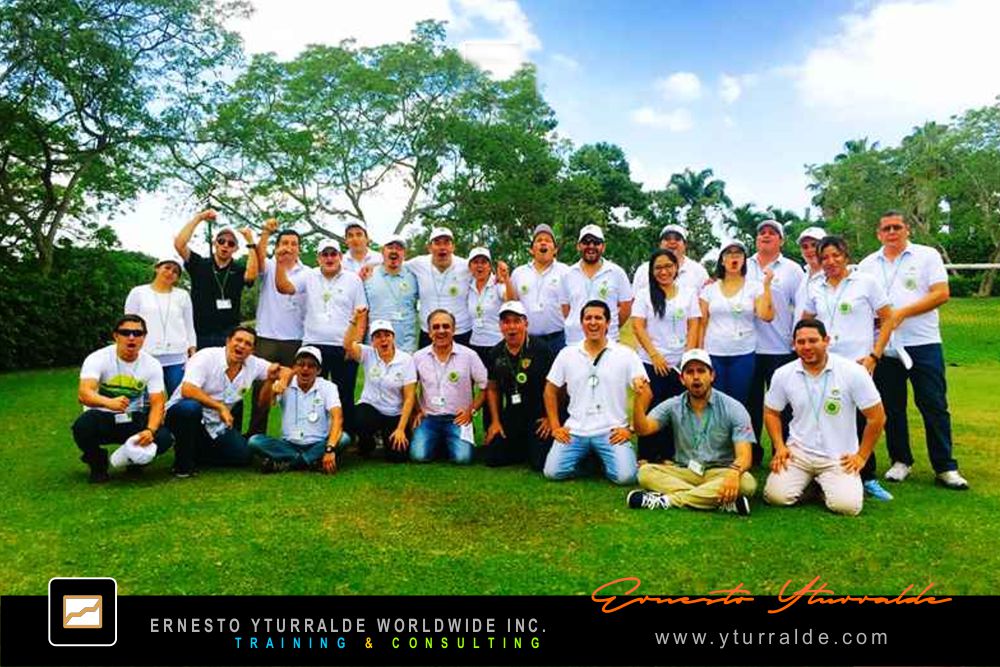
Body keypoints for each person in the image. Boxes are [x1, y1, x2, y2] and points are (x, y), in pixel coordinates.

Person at [858, 211, 968, 490]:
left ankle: (945, 466)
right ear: (878, 233)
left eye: (897, 227)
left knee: (933, 404)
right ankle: (901, 461)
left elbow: (941, 293)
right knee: (892, 406)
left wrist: (901, 313)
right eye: (886, 228)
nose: (892, 232)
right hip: (884, 346)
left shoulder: (927, 255)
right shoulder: (868, 264)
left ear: (907, 229)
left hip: (923, 343)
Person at [801, 235, 895, 500]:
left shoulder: (866, 282)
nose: (830, 261)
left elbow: (888, 319)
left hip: (858, 363)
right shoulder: (816, 286)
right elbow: (806, 321)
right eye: (824, 258)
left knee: (862, 418)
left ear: (846, 256)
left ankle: (867, 475)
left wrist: (874, 356)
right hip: (824, 363)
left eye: (836, 255)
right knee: (825, 417)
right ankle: (821, 475)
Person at [763, 320, 886, 516]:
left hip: (838, 457)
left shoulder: (852, 372)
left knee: (847, 507)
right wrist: (779, 446)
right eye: (801, 342)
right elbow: (771, 412)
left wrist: (861, 456)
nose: (807, 347)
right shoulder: (783, 374)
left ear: (826, 341)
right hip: (799, 453)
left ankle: (823, 486)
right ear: (794, 345)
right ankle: (812, 485)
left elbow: (877, 417)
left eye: (813, 341)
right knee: (775, 496)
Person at [628, 349, 756, 514]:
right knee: (645, 473)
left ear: (712, 376)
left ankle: (667, 500)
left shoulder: (733, 408)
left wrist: (734, 472)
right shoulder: (673, 405)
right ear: (682, 379)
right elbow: (643, 429)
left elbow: (744, 456)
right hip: (686, 470)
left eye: (701, 371)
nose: (696, 377)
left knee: (747, 483)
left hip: (720, 471)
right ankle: (715, 500)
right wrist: (638, 399)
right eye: (690, 372)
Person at [543, 300, 647, 485]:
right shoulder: (567, 353)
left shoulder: (625, 354)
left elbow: (646, 392)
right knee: (552, 472)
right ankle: (594, 463)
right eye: (588, 318)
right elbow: (549, 391)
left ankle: (604, 460)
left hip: (611, 431)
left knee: (626, 477)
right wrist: (555, 426)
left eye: (598, 318)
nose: (593, 323)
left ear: (608, 323)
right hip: (575, 431)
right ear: (581, 322)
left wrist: (630, 428)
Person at [165, 325, 289, 478]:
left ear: (252, 351)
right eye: (238, 340)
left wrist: (282, 381)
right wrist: (220, 407)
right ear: (228, 341)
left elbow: (285, 370)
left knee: (243, 456)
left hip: (216, 424)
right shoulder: (206, 356)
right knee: (190, 408)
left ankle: (197, 452)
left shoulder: (253, 363)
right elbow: (188, 389)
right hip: (182, 414)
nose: (241, 346)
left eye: (248, 344)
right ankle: (183, 465)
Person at [276, 238, 367, 437]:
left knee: (344, 394)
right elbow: (284, 288)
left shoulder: (353, 280)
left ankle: (346, 438)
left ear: (340, 256)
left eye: (333, 254)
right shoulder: (309, 276)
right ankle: (314, 436)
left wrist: (355, 344)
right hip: (313, 345)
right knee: (312, 393)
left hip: (343, 346)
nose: (329, 258)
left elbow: (361, 313)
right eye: (325, 254)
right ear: (318, 258)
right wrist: (280, 263)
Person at [72, 315, 173, 482]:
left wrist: (150, 430)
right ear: (115, 336)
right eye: (125, 332)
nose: (131, 337)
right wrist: (109, 403)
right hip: (102, 416)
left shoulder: (152, 364)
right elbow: (84, 394)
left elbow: (158, 403)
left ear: (144, 337)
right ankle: (97, 461)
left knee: (164, 438)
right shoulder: (97, 358)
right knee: (82, 427)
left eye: (137, 333)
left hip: (134, 417)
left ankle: (133, 459)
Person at [630, 249, 700, 463]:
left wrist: (687, 357)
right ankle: (647, 455)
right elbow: (638, 326)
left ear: (676, 268)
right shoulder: (644, 295)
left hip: (678, 363)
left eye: (668, 266)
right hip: (651, 361)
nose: (663, 271)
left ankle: (671, 455)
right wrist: (654, 355)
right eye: (658, 268)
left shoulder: (688, 293)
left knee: (677, 408)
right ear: (652, 271)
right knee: (652, 407)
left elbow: (694, 324)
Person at [746, 220, 803, 462]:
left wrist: (797, 340)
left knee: (783, 405)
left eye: (772, 233)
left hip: (780, 348)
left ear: (781, 240)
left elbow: (801, 307)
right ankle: (751, 452)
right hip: (748, 347)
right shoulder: (744, 264)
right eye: (762, 233)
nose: (766, 236)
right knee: (750, 404)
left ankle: (783, 452)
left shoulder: (792, 269)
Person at [247, 346, 349, 474]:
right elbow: (263, 404)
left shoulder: (328, 387)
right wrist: (270, 381)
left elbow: (337, 417)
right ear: (295, 368)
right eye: (301, 364)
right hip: (288, 444)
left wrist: (329, 449)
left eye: (311, 366)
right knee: (255, 441)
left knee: (344, 438)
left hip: (318, 443)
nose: (305, 369)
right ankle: (310, 461)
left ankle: (289, 463)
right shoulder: (285, 382)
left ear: (318, 371)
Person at [698, 239, 774, 410]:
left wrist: (767, 286)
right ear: (722, 260)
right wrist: (699, 353)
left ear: (744, 260)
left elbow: (766, 316)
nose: (734, 258)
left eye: (738, 254)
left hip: (743, 353)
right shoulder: (709, 290)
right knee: (714, 402)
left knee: (738, 403)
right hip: (714, 352)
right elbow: (701, 323)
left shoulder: (754, 287)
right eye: (729, 254)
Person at [248, 219, 307, 435]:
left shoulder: (307, 273)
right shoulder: (269, 265)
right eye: (284, 243)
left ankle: (297, 435)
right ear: (277, 246)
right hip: (266, 337)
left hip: (295, 338)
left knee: (295, 389)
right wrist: (265, 233)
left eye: (293, 244)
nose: (289, 248)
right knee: (261, 389)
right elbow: (258, 258)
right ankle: (256, 436)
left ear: (299, 249)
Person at [483, 301, 556, 470]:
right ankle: (523, 447)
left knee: (539, 463)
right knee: (493, 458)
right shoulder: (495, 353)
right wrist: (495, 422)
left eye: (517, 321)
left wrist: (550, 418)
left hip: (539, 416)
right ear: (500, 326)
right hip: (512, 414)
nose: (511, 327)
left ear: (526, 323)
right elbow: (492, 388)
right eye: (506, 322)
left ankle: (530, 448)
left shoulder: (542, 350)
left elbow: (555, 387)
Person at [410, 309, 488, 464]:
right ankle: (442, 441)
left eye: (446, 326)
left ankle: (447, 441)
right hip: (429, 418)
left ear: (454, 329)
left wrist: (471, 411)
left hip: (457, 419)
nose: (441, 331)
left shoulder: (469, 356)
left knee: (462, 459)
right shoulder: (418, 357)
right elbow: (409, 388)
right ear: (429, 332)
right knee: (418, 456)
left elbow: (485, 387)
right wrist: (417, 410)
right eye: (436, 327)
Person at [173, 209, 259, 349]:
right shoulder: (199, 264)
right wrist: (199, 217)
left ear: (236, 249)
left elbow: (252, 275)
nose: (225, 245)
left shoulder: (238, 270)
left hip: (229, 335)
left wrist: (250, 242)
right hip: (199, 333)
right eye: (221, 241)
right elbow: (179, 244)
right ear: (215, 243)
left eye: (231, 244)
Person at [344, 308, 418, 462]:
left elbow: (409, 398)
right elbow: (348, 345)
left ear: (393, 337)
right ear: (372, 341)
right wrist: (355, 320)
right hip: (372, 408)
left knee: (398, 457)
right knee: (359, 419)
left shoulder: (406, 360)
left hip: (394, 413)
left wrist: (400, 429)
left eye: (387, 335)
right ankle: (368, 443)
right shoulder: (368, 353)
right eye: (378, 336)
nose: (383, 340)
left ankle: (385, 436)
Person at [124, 256, 196, 396]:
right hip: (145, 354)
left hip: (176, 357)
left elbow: (189, 325)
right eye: (167, 268)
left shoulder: (183, 295)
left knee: (180, 399)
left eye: (175, 271)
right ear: (157, 268)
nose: (170, 273)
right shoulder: (138, 292)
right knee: (144, 400)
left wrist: (192, 348)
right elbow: (128, 324)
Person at [559, 224, 633, 345]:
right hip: (575, 341)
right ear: (578, 246)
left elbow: (626, 307)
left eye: (596, 242)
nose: (591, 246)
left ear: (603, 247)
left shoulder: (616, 272)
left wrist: (607, 326)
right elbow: (566, 309)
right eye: (586, 242)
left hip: (608, 341)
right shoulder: (567, 274)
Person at [509, 224, 571, 355]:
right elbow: (512, 304)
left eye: (548, 240)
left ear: (555, 250)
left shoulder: (566, 272)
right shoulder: (518, 273)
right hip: (528, 340)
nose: (543, 243)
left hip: (558, 339)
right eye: (539, 240)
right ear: (531, 250)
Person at [407, 227, 473, 347]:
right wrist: (371, 267)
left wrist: (499, 278)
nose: (442, 247)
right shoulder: (417, 264)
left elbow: (487, 274)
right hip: (429, 332)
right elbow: (394, 265)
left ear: (453, 247)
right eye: (437, 243)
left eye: (447, 243)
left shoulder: (467, 266)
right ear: (429, 248)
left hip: (460, 331)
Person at [361, 234, 419, 353]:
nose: (394, 251)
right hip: (375, 344)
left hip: (406, 345)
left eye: (399, 248)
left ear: (405, 253)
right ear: (382, 251)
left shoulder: (414, 276)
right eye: (390, 247)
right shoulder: (368, 275)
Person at [632, 224, 710, 295]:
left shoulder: (699, 272)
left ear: (685, 245)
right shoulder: (643, 270)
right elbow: (634, 300)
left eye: (677, 239)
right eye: (667, 239)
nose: (672, 242)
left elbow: (706, 301)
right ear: (660, 244)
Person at [793, 226, 827, 321]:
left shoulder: (831, 277)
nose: (810, 250)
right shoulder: (804, 276)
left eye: (814, 245)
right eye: (805, 247)